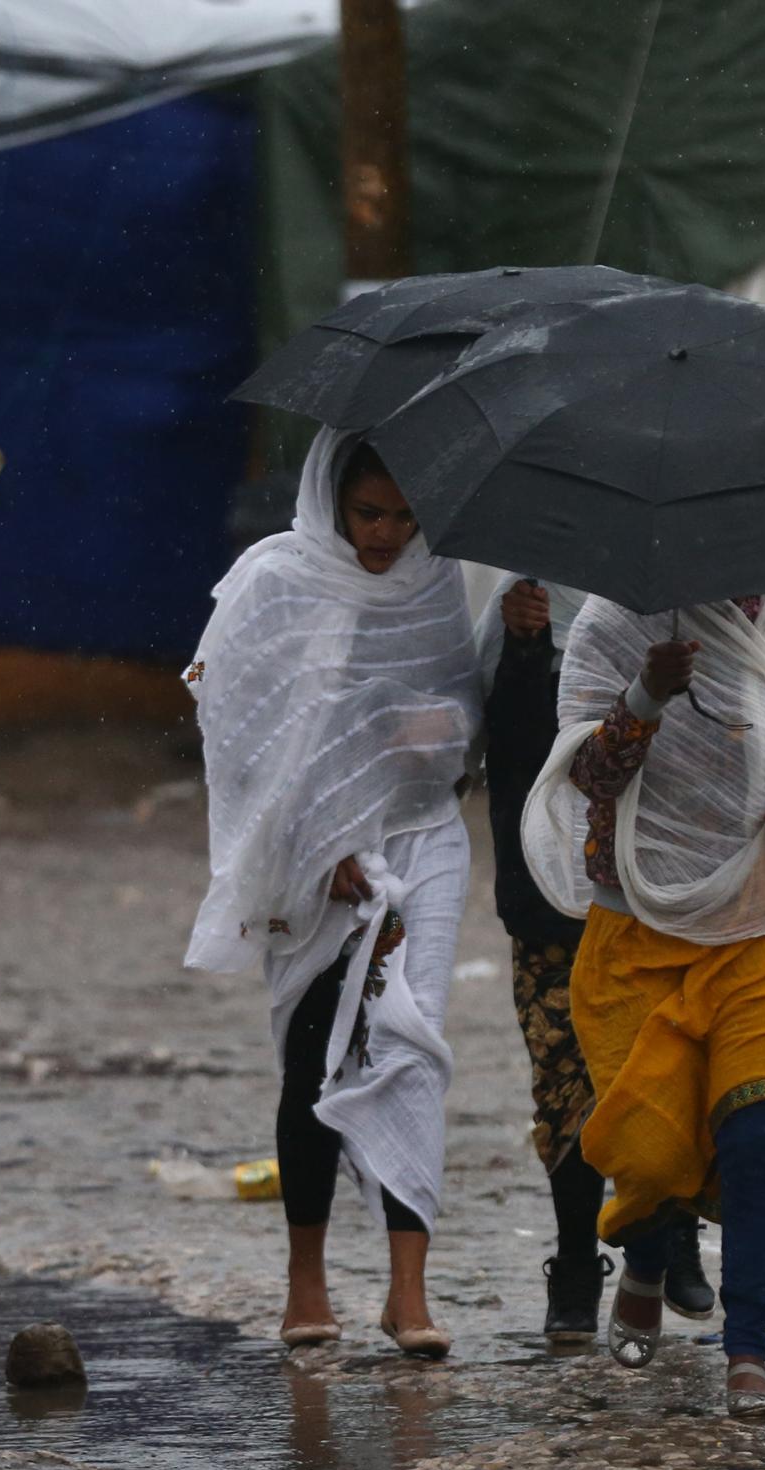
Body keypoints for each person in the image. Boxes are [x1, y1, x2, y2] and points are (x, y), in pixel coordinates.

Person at [521, 593, 765, 1418]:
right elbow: (585, 772)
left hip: (760, 919)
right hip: (638, 924)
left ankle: (748, 1346)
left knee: (754, 1132)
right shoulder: (612, 625)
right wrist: (646, 694)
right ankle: (645, 1260)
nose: (747, 579)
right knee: (650, 1154)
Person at [184, 430, 480, 1359]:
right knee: (314, 1054)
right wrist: (321, 848)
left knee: (412, 1041)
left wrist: (432, 727)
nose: (386, 533)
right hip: (309, 855)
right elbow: (240, 735)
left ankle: (408, 1292)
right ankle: (305, 1279)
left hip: (422, 836)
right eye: (368, 513)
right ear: (331, 499)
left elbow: (457, 730)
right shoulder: (274, 583)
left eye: (403, 514)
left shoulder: (439, 582)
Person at [475, 576, 715, 1348]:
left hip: (657, 894)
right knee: (565, 1086)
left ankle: (673, 1233)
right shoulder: (522, 607)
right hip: (552, 901)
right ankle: (577, 1258)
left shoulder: (679, 607)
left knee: (663, 1073)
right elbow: (511, 760)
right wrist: (521, 647)